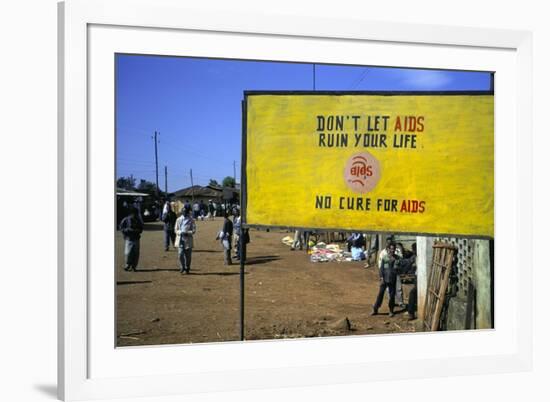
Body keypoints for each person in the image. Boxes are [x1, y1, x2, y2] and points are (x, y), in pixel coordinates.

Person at [371, 242, 400, 317]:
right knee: (380, 294)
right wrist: (381, 277)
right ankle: (375, 308)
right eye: (391, 249)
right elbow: (381, 269)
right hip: (384, 279)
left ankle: (391, 310)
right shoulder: (385, 258)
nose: (392, 250)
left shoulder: (397, 258)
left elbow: (400, 268)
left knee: (392, 295)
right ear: (388, 249)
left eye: (393, 249)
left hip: (392, 280)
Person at [119, 207, 143, 272]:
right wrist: (128, 230)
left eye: (136, 214)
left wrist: (137, 230)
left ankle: (134, 266)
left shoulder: (138, 220)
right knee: (128, 253)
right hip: (128, 239)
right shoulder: (125, 220)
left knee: (136, 253)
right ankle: (127, 265)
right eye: (134, 213)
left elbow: (141, 228)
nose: (135, 215)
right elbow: (121, 228)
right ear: (131, 213)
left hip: (136, 238)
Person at [175, 210, 196, 274]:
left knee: (188, 256)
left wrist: (188, 233)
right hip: (180, 239)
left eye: (186, 212)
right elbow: (176, 229)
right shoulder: (178, 219)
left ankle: (187, 267)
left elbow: (194, 230)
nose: (184, 213)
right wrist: (180, 232)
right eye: (183, 212)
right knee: (180, 254)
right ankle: (182, 266)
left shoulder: (191, 220)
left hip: (188, 239)